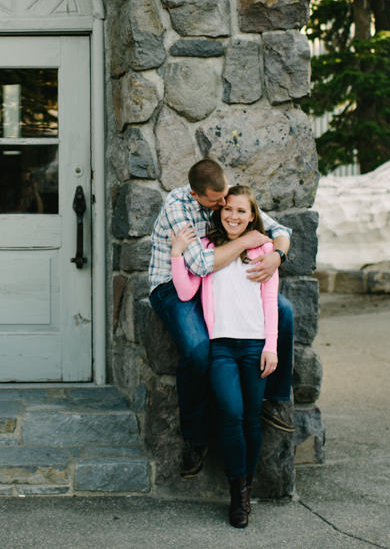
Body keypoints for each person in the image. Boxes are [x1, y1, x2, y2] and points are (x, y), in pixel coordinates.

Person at [146, 158, 294, 480]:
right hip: (173, 284)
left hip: (214, 276)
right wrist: (244, 241)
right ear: (198, 197)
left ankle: (273, 396)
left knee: (284, 311)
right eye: (218, 203)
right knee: (199, 350)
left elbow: (279, 230)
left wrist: (275, 256)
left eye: (226, 195)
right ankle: (195, 439)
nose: (225, 205)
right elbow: (199, 266)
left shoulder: (225, 197)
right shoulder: (178, 207)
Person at [171, 185, 277, 528]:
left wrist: (271, 345)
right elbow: (186, 290)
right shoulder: (206, 249)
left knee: (250, 418)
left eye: (241, 211)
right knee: (230, 414)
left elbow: (270, 301)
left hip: (254, 346)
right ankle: (237, 494)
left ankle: (244, 490)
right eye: (228, 209)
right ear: (220, 211)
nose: (233, 216)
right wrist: (177, 254)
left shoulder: (264, 249)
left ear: (252, 216)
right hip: (221, 349)